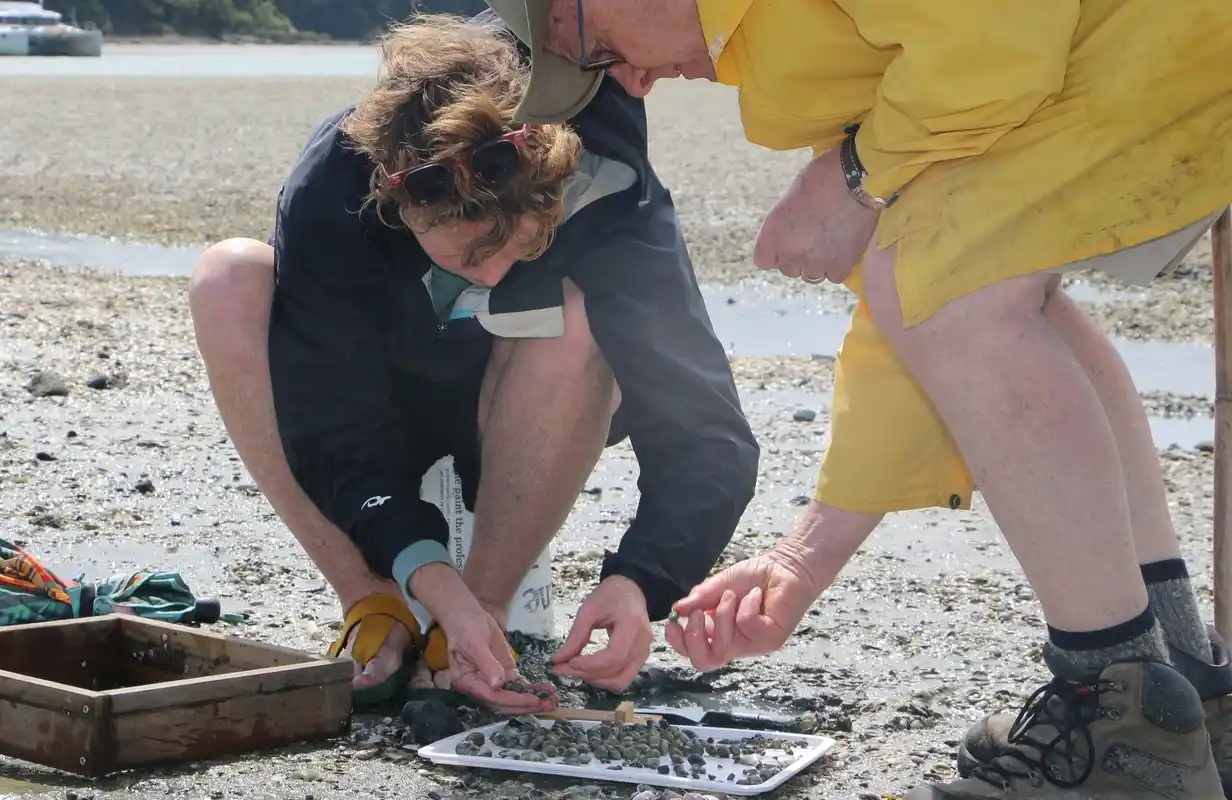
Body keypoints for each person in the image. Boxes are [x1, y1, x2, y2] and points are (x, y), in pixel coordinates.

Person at [483, 0, 1232, 797]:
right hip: (1117, 52)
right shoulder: (795, 45)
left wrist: (854, 177)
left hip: (1175, 36)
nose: (632, 82)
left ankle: (1122, 717)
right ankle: (1171, 679)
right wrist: (801, 562)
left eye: (598, 50)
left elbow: (1002, 36)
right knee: (984, 288)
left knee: (965, 292)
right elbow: (903, 306)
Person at [188, 11, 759, 714]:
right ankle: (372, 604)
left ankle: (481, 616)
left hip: (515, 409)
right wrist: (422, 573)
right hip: (382, 398)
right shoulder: (335, 184)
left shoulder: (607, 184)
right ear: (399, 199)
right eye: (466, 257)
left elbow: (708, 427)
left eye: (516, 252)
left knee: (580, 317)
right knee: (228, 277)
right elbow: (333, 424)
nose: (488, 279)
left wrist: (643, 579)